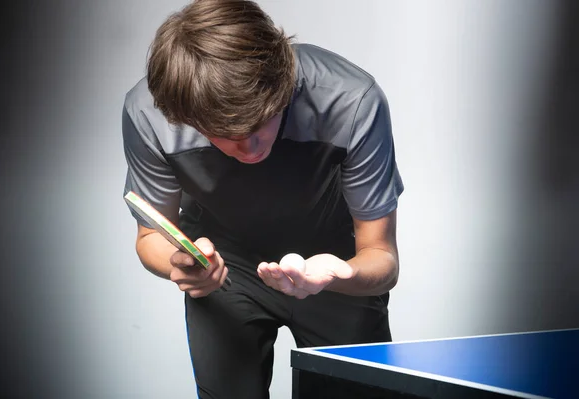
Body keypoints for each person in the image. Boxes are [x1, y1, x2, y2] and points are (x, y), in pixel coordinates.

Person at [121, 0, 404, 397]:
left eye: (262, 121)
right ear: (184, 118)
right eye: (224, 135)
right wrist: (180, 265)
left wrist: (344, 274)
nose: (250, 148)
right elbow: (151, 237)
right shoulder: (148, 113)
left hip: (332, 266)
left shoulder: (353, 99)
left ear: (284, 84)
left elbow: (383, 258)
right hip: (223, 272)